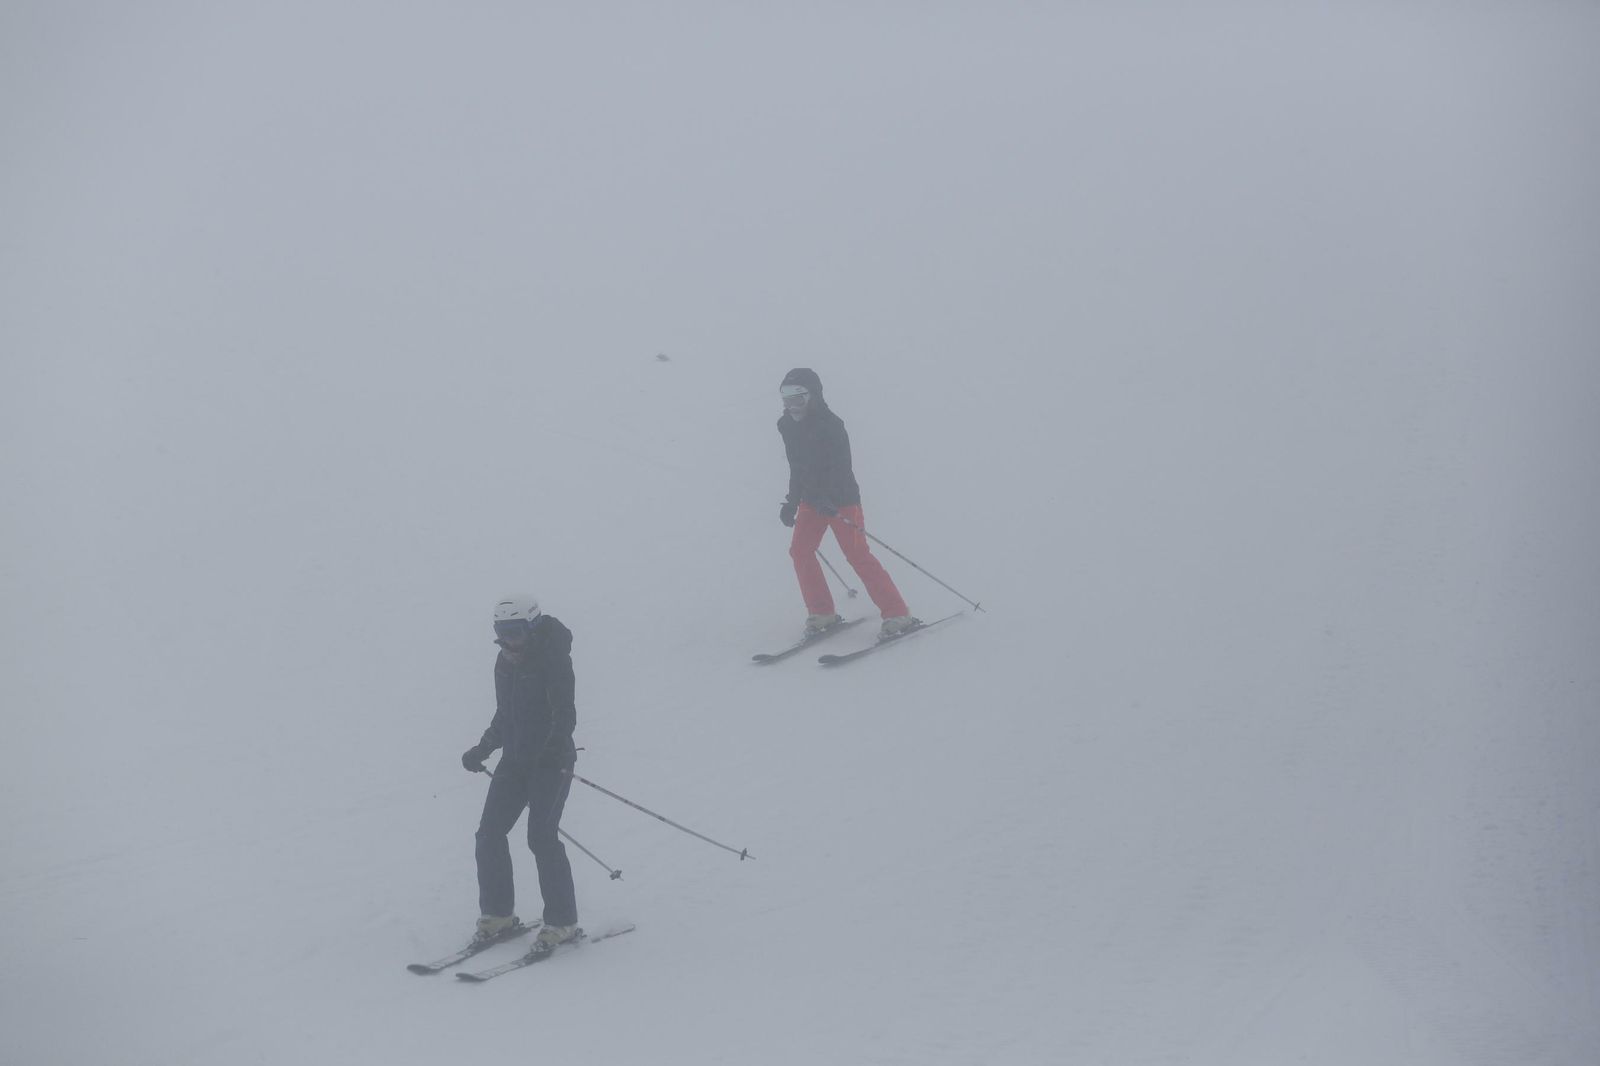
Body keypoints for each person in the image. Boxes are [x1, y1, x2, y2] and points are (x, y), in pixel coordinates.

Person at [460, 594, 580, 951]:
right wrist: (483, 748)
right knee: (488, 834)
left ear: (532, 627)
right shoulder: (505, 661)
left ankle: (563, 921)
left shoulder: (552, 660)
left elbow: (565, 712)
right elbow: (505, 714)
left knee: (541, 839)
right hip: (514, 761)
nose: (510, 638)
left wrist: (555, 747)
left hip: (550, 763)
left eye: (516, 631)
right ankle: (498, 915)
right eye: (502, 631)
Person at [775, 367, 919, 639]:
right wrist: (792, 502)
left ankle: (897, 612)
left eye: (797, 399)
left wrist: (827, 499)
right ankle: (822, 613)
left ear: (813, 396)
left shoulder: (831, 425)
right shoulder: (787, 426)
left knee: (857, 555)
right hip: (811, 501)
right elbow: (796, 466)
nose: (791, 406)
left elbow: (840, 468)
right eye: (786, 399)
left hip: (840, 500)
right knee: (800, 551)